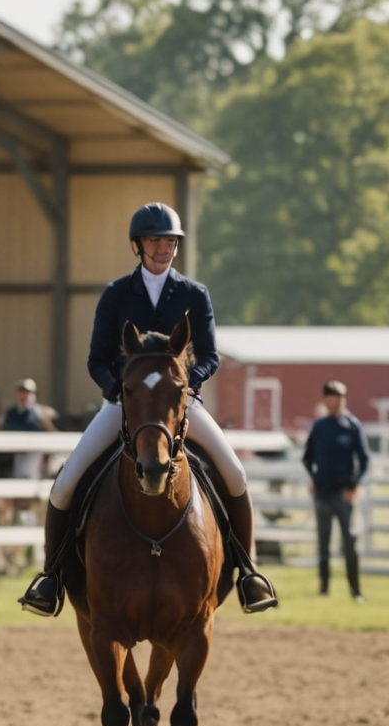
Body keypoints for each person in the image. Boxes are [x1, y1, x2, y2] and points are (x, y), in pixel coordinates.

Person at [21, 202, 277, 617]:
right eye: (156, 241)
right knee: (66, 482)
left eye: (171, 241)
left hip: (180, 406)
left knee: (235, 473)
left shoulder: (194, 295)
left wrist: (186, 386)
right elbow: (97, 359)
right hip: (125, 407)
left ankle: (248, 571)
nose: (164, 248)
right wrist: (118, 390)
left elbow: (209, 356)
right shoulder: (117, 294)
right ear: (138, 245)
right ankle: (50, 576)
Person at [302, 380, 369, 602]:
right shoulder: (319, 427)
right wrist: (314, 479)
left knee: (350, 542)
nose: (334, 403)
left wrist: (354, 484)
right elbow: (307, 458)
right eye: (330, 399)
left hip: (345, 494)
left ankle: (355, 590)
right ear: (325, 401)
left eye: (338, 398)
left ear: (343, 400)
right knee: (323, 544)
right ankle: (324, 587)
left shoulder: (352, 426)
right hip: (322, 493)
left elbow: (364, 458)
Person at [2, 378, 54, 480]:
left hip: (35, 452)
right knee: (18, 479)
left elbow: (51, 432)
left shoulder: (40, 412)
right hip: (18, 451)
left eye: (28, 392)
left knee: (32, 480)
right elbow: (7, 429)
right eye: (22, 392)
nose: (24, 395)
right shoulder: (12, 413)